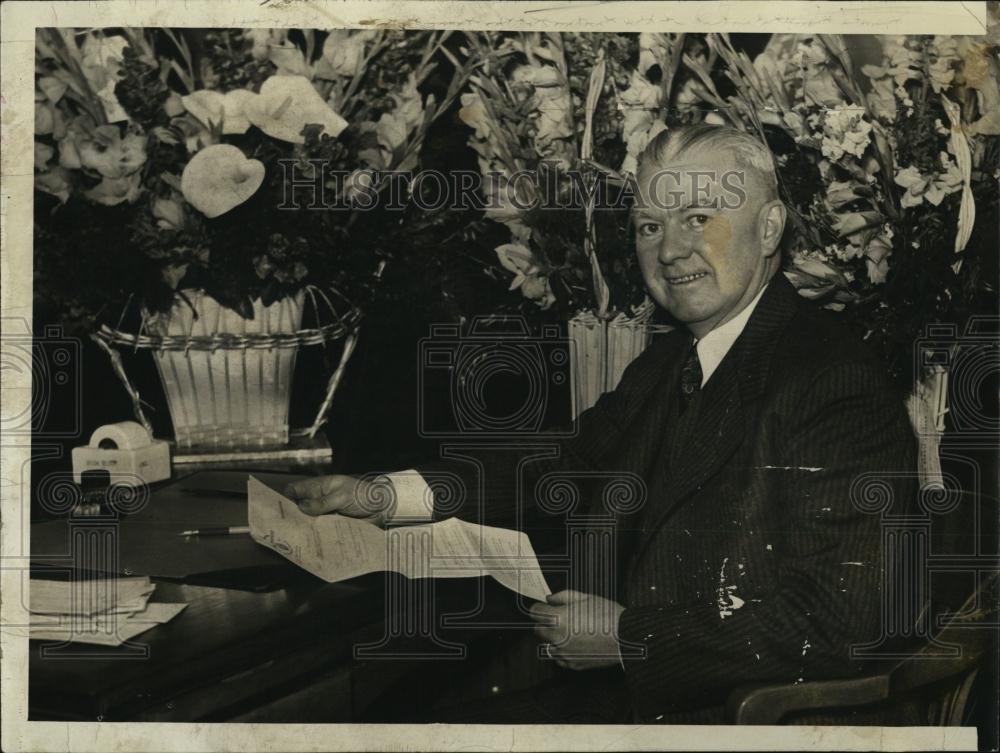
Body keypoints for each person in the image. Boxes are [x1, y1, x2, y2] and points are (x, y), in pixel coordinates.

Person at [285, 124, 919, 723]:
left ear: (770, 226)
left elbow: (850, 616)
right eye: (649, 225)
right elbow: (561, 469)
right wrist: (384, 493)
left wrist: (627, 639)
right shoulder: (673, 358)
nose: (670, 251)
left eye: (699, 218)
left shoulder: (831, 378)